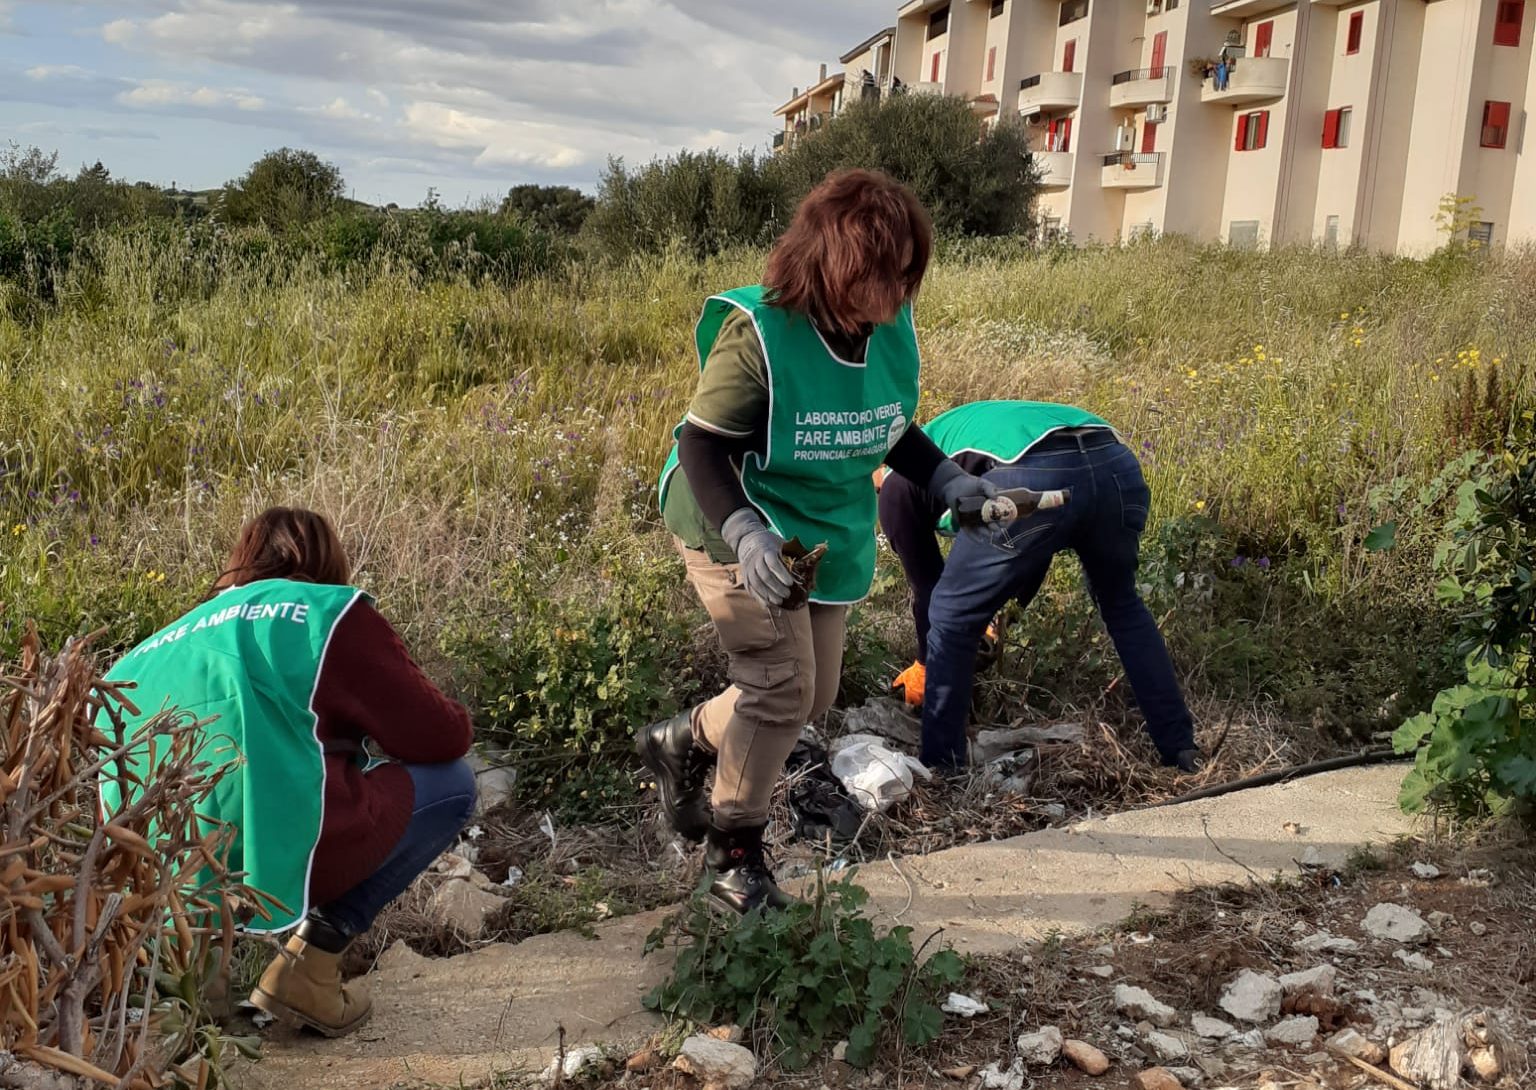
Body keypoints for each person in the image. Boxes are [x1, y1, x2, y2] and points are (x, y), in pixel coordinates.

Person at [636, 169, 997, 913]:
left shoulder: (888, 328)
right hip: (732, 509)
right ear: (833, 263)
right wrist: (744, 535)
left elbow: (887, 424)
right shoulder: (761, 334)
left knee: (815, 692)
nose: (897, 294)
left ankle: (682, 740)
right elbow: (703, 447)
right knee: (778, 687)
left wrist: (946, 480)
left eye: (906, 275)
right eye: (880, 275)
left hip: (816, 520)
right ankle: (732, 860)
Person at [99, 507, 475, 1037]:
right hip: (272, 853)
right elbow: (439, 735)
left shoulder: (150, 648)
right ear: (326, 562)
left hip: (147, 879)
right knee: (453, 784)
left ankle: (189, 981)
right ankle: (309, 968)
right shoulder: (328, 612)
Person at [876, 401, 1204, 773]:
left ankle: (942, 769)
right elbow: (1032, 553)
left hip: (1031, 470)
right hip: (1114, 462)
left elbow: (929, 589)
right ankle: (1180, 749)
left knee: (950, 619)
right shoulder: (954, 432)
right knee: (1122, 605)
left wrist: (925, 664)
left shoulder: (894, 484)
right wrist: (1000, 621)